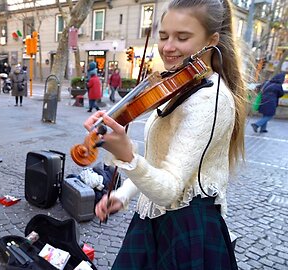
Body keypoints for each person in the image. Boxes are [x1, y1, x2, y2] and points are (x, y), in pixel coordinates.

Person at [85, 0, 245, 268]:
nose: (168, 47)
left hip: (186, 226)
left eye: (182, 37)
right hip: (154, 219)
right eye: (163, 36)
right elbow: (158, 161)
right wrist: (123, 195)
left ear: (212, 40)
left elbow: (170, 190)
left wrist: (126, 155)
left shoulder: (209, 100)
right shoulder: (183, 86)